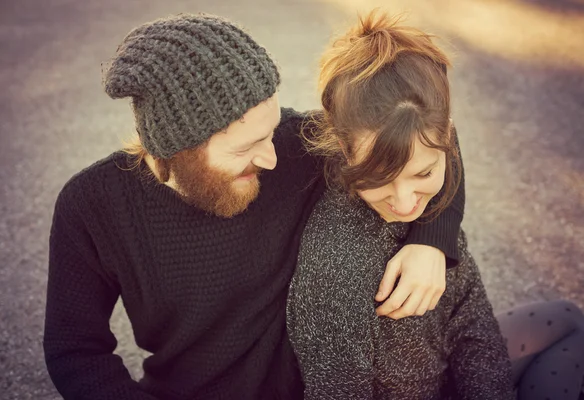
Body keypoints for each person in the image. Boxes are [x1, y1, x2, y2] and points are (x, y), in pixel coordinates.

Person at [43, 13, 467, 400]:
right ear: (177, 149)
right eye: (247, 147)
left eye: (271, 129)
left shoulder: (294, 146)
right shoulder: (91, 207)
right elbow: (76, 351)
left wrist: (432, 240)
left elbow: (421, 131)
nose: (271, 157)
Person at [286, 10, 584, 400]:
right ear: (344, 148)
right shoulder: (335, 260)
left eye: (423, 174)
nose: (407, 202)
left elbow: (471, 323)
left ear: (448, 140)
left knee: (567, 319)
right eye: (380, 179)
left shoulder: (437, 201)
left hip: (444, 377)